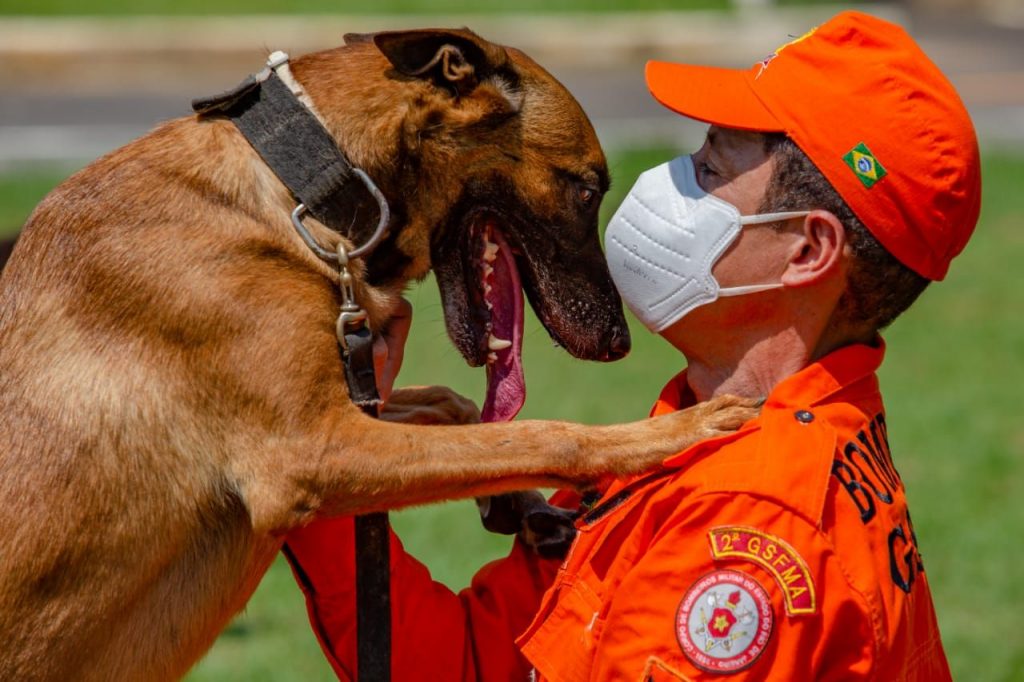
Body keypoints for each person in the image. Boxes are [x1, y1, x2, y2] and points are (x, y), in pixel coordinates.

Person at [284, 11, 980, 680]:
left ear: (808, 249)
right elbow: (471, 663)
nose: (665, 184)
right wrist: (328, 448)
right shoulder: (703, 436)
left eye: (709, 170)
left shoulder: (748, 529)